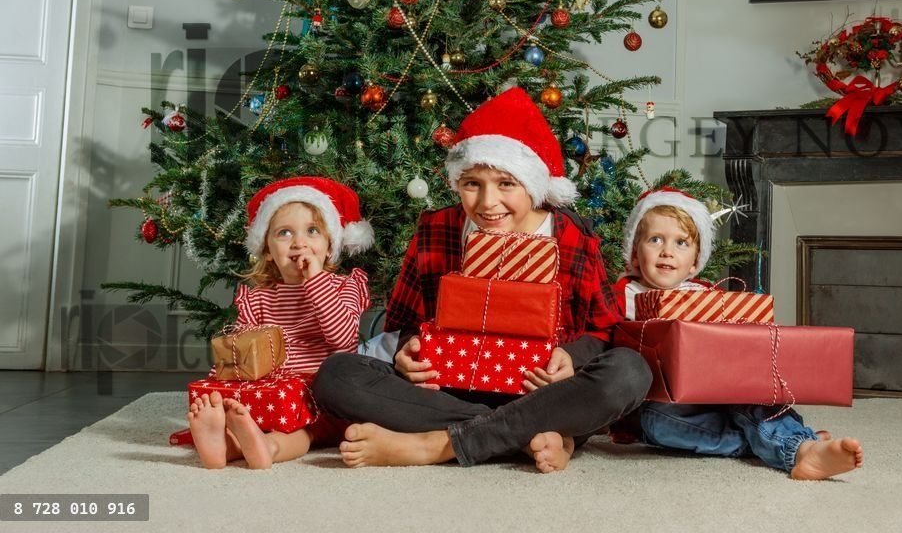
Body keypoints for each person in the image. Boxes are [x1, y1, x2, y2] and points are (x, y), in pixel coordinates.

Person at [312, 87, 651, 473]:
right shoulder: (437, 229)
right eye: (472, 184)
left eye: (506, 184)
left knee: (630, 371)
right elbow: (404, 322)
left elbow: (604, 330)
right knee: (337, 375)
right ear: (458, 182)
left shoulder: (570, 236)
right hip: (448, 391)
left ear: (533, 184)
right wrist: (408, 350)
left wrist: (571, 359)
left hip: (542, 390)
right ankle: (522, 437)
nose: (488, 203)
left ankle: (437, 445)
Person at [616, 187, 864, 480]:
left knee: (751, 393)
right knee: (673, 425)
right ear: (634, 251)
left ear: (696, 261)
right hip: (659, 411)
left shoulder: (708, 297)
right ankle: (798, 444)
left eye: (681, 242)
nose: (667, 251)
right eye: (655, 239)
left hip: (721, 395)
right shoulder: (624, 296)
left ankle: (799, 447)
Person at [187, 176, 372, 469]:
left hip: (322, 397)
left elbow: (344, 339)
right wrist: (218, 387)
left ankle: (268, 448)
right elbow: (240, 351)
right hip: (268, 395)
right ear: (267, 250)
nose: (299, 242)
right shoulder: (259, 298)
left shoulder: (344, 287)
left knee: (302, 432)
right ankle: (225, 446)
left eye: (312, 231)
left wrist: (316, 282)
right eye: (285, 233)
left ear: (329, 246)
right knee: (239, 411)